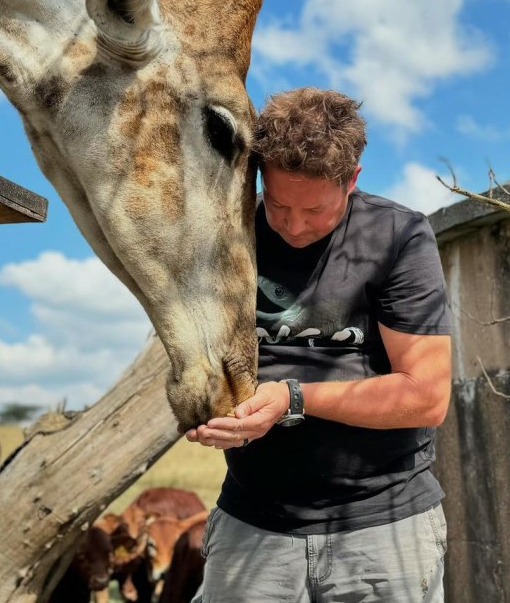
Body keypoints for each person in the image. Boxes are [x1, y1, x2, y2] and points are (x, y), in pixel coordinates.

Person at [186, 87, 452, 603]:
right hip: (252, 522)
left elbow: (426, 396)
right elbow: (200, 355)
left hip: (383, 525)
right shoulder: (225, 234)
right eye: (279, 205)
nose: (293, 225)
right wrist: (208, 410)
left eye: (315, 210)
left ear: (351, 181)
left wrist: (292, 398)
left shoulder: (398, 238)